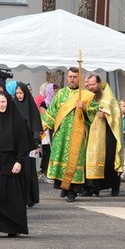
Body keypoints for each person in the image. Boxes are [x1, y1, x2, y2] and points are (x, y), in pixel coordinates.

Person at [0, 93, 36, 238]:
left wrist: (19, 162)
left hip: (11, 162)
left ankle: (13, 227)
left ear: (8, 102)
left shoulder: (17, 121)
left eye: (3, 102)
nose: (1, 105)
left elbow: (24, 144)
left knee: (12, 196)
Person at [41, 67, 98, 201]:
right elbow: (52, 112)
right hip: (61, 134)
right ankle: (64, 187)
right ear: (67, 77)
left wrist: (84, 107)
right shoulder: (60, 94)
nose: (72, 79)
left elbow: (94, 109)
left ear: (79, 78)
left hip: (77, 134)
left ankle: (73, 190)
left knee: (75, 161)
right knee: (62, 159)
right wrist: (41, 127)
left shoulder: (86, 95)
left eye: (75, 77)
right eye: (70, 77)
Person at [83, 74, 123, 197]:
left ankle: (114, 185)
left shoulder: (108, 97)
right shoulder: (88, 96)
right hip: (92, 133)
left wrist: (106, 115)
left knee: (108, 159)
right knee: (91, 159)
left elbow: (117, 115)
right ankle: (91, 187)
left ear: (99, 83)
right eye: (89, 85)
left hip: (107, 133)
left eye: (93, 84)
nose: (91, 87)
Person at [12, 82, 42, 207]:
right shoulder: (13, 105)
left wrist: (36, 143)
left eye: (21, 93)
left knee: (28, 171)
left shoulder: (31, 106)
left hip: (29, 144)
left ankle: (29, 198)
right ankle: (19, 197)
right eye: (17, 93)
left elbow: (36, 125)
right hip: (16, 144)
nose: (19, 95)